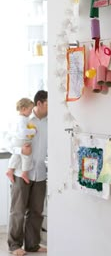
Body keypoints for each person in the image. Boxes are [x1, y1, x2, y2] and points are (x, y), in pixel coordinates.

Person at [8, 90, 48, 255]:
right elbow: (11, 144)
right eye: (48, 103)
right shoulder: (23, 120)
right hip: (21, 172)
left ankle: (32, 245)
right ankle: (14, 246)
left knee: (36, 211)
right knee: (18, 210)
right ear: (39, 103)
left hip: (40, 172)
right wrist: (20, 150)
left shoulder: (50, 123)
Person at [6, 98, 37, 184]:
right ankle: (24, 173)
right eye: (30, 110)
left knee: (16, 155)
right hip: (22, 140)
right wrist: (33, 131)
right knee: (27, 156)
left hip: (17, 141)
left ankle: (10, 170)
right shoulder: (22, 119)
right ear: (23, 109)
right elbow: (23, 132)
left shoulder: (19, 119)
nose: (31, 112)